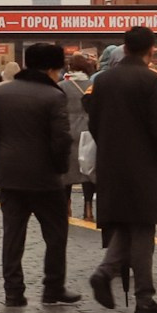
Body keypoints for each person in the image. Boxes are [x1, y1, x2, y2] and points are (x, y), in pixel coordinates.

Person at [85, 26, 157, 313]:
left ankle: (105, 271)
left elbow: (93, 122)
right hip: (145, 165)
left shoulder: (103, 80)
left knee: (124, 224)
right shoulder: (153, 81)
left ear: (124, 47)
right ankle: (144, 297)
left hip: (112, 163)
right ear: (151, 49)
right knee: (143, 228)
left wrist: (108, 148)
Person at [0, 43, 79, 308]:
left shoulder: (2, 92)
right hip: (46, 178)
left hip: (10, 175)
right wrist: (60, 168)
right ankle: (53, 287)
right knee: (56, 234)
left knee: (13, 235)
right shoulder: (54, 96)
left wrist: (1, 159)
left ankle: (13, 291)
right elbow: (61, 139)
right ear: (51, 69)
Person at [60, 53, 98, 221]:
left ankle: (66, 206)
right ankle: (88, 208)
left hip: (69, 130)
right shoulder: (93, 85)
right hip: (88, 131)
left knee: (67, 171)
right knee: (87, 170)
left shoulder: (62, 86)